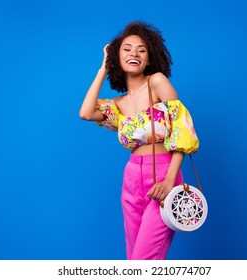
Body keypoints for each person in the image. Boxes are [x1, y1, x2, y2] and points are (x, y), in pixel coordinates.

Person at [79, 21, 199, 260]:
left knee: (145, 260)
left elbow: (180, 129)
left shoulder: (156, 82)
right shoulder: (117, 105)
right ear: (117, 57)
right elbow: (85, 113)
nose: (134, 53)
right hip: (132, 178)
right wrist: (103, 68)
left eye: (141, 49)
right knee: (132, 259)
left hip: (164, 173)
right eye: (126, 48)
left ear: (149, 57)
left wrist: (169, 180)